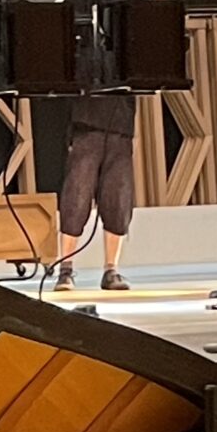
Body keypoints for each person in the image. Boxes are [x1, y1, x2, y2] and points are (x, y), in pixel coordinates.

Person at [52, 93, 135, 292]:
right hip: (85, 126)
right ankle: (65, 269)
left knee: (118, 199)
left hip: (121, 128)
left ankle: (111, 269)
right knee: (76, 197)